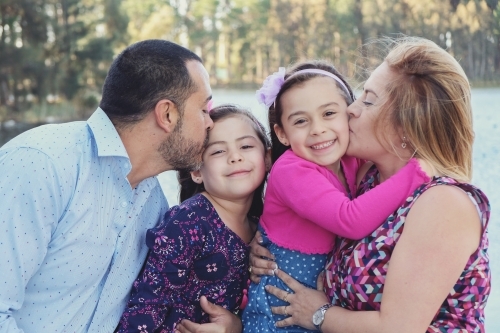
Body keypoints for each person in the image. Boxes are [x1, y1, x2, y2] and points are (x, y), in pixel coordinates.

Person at [257, 37, 491, 332]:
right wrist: (266, 244)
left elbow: (398, 327)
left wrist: (319, 314)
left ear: (405, 127)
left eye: (367, 100)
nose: (351, 110)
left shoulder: (444, 203)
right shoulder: (365, 179)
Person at [0, 39, 214, 333]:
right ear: (167, 114)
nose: (210, 122)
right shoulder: (42, 166)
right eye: (204, 109)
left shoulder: (153, 203)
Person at [241, 60, 429, 333]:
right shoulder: (291, 170)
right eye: (301, 121)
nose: (317, 129)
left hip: (317, 307)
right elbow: (349, 219)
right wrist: (418, 170)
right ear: (282, 133)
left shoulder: (352, 161)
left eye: (329, 113)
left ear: (349, 113)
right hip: (279, 309)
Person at [115, 104, 270, 332]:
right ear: (197, 171)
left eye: (246, 146)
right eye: (218, 151)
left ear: (266, 158)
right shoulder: (188, 221)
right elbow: (148, 304)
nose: (235, 157)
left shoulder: (263, 226)